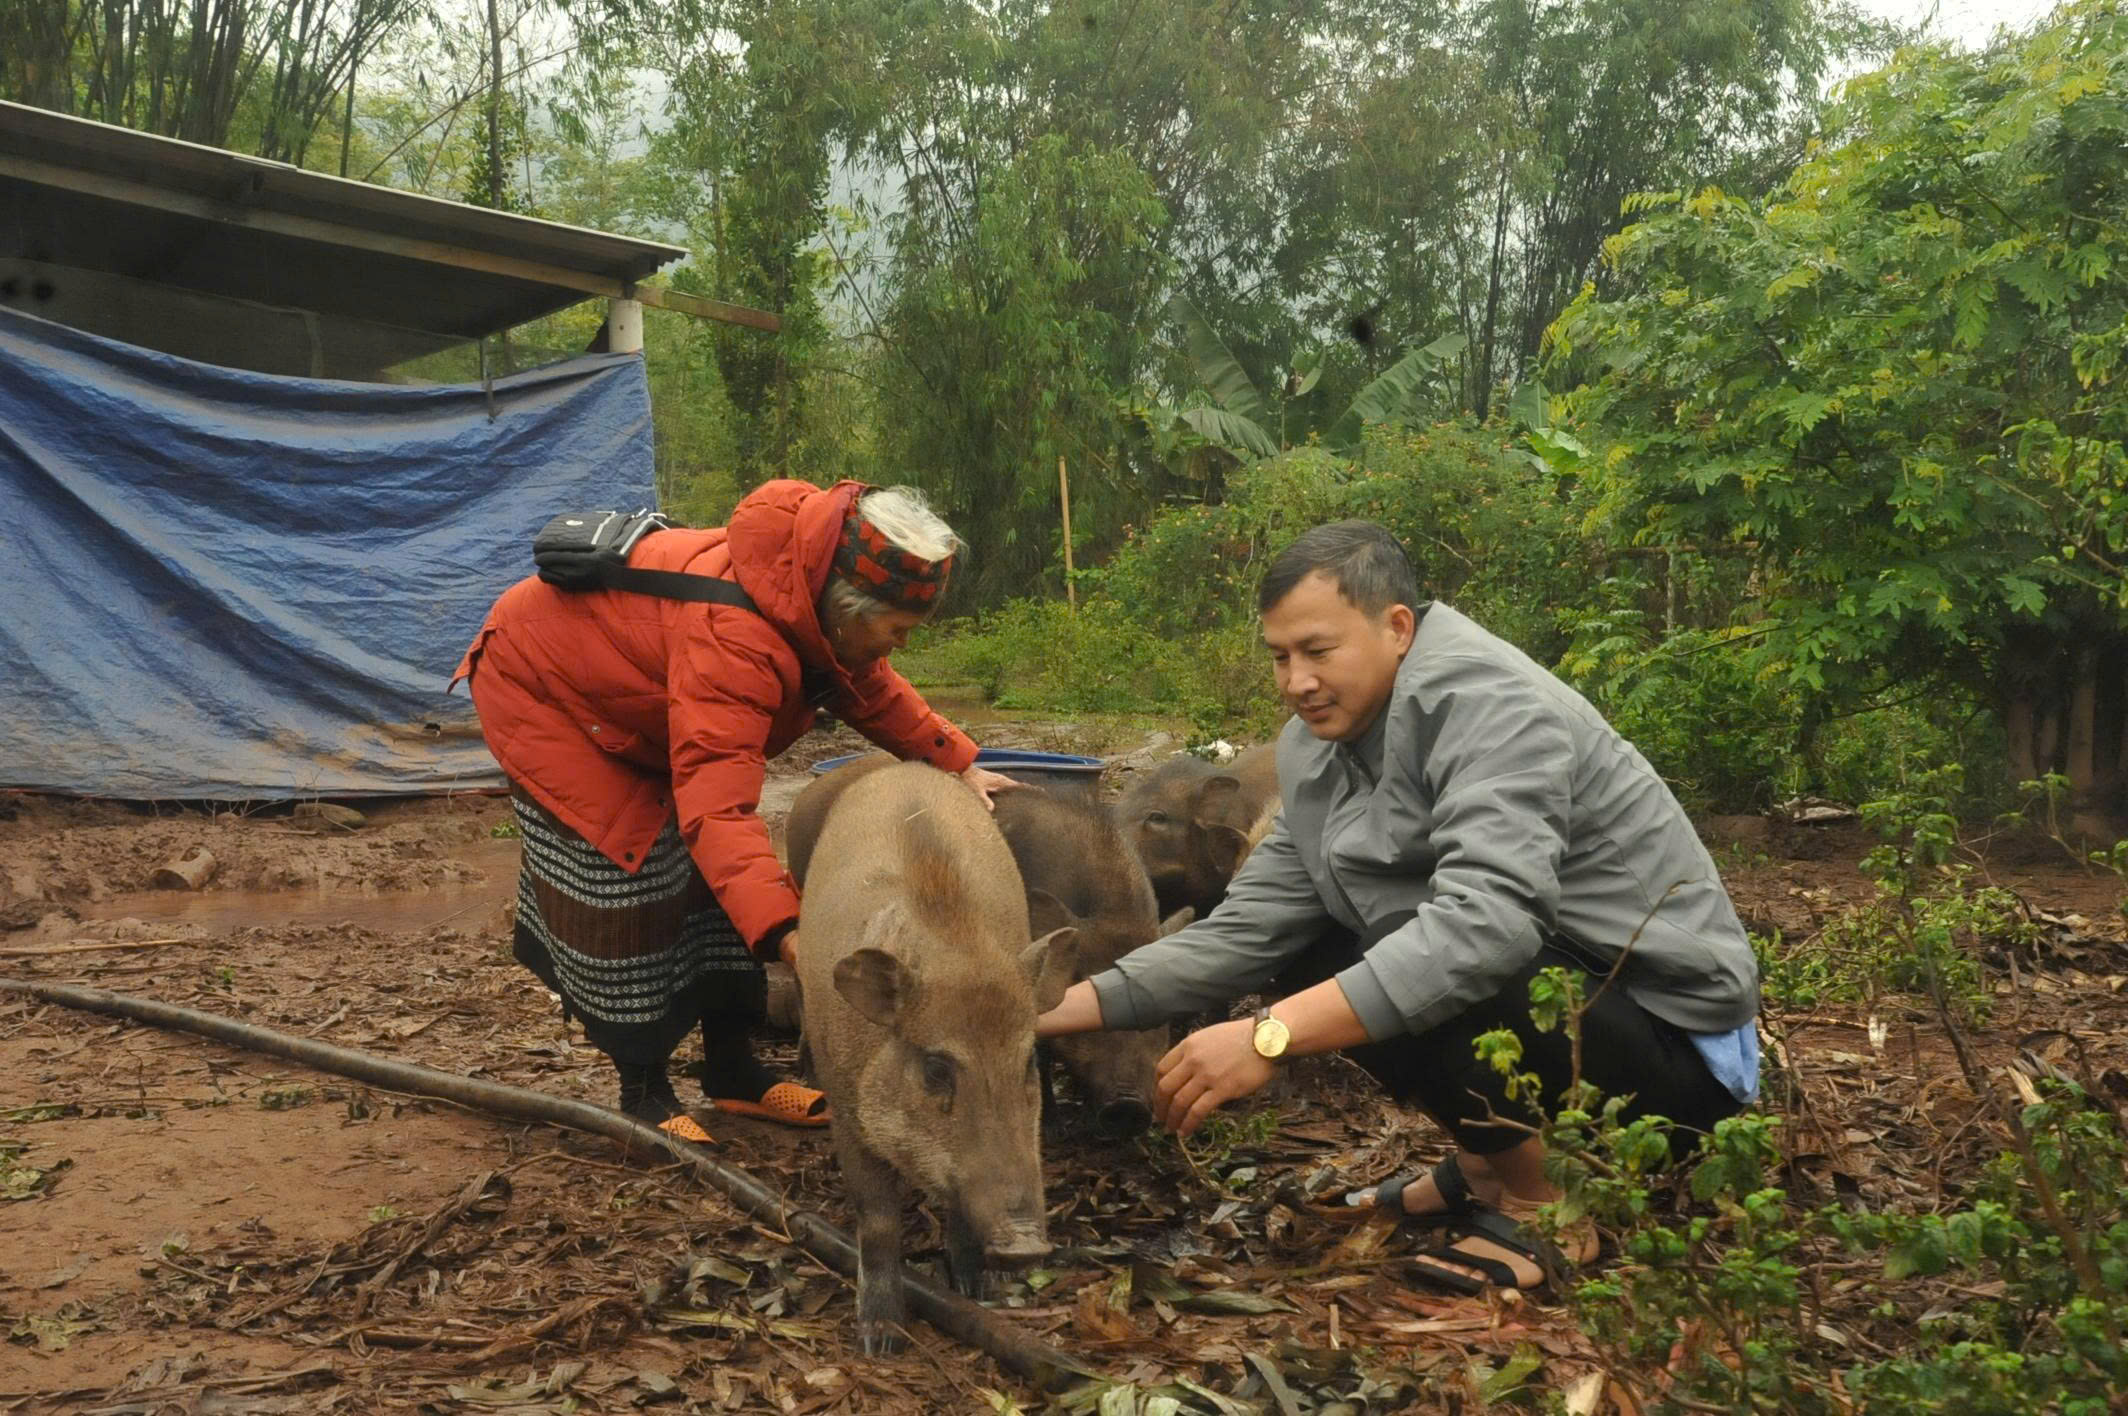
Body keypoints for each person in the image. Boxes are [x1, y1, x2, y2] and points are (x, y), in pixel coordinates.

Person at [1037, 520, 1759, 1294]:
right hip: (1577, 1015)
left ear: (1398, 627)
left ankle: (1550, 1206)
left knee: (1454, 947)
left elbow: (1489, 929)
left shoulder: (1491, 705)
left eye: (1319, 651)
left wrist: (1268, 1037)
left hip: (1673, 1063)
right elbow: (1248, 930)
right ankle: (1489, 1165)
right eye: (1280, 657)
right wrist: (1039, 1010)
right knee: (1320, 946)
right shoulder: (1314, 749)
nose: (1296, 681)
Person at [454, 480, 1020, 1142]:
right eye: (894, 631)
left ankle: (732, 1071)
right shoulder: (736, 636)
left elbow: (869, 687)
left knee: (719, 889)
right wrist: (790, 935)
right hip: (546, 695)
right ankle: (643, 1092)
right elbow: (716, 817)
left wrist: (956, 759)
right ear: (848, 609)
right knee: (634, 871)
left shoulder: (812, 604)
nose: (897, 646)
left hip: (636, 693)